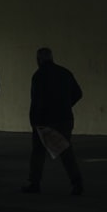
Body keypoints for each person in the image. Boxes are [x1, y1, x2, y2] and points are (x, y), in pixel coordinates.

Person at [22, 47, 84, 196]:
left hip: (45, 120)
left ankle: (34, 183)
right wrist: (66, 105)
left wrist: (34, 121)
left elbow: (36, 101)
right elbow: (78, 93)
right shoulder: (65, 73)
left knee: (38, 152)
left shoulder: (38, 76)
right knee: (66, 151)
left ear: (39, 60)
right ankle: (76, 182)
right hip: (65, 118)